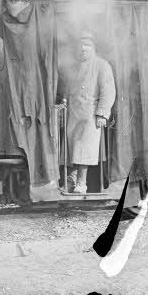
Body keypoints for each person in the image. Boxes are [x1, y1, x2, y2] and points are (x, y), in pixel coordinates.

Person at [57, 32, 115, 193]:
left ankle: (82, 183)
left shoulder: (102, 65)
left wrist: (102, 113)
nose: (83, 49)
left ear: (93, 48)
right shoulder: (74, 67)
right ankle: (72, 179)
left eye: (87, 45)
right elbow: (67, 91)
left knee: (85, 149)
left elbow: (108, 91)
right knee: (72, 148)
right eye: (81, 45)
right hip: (74, 114)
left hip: (91, 115)